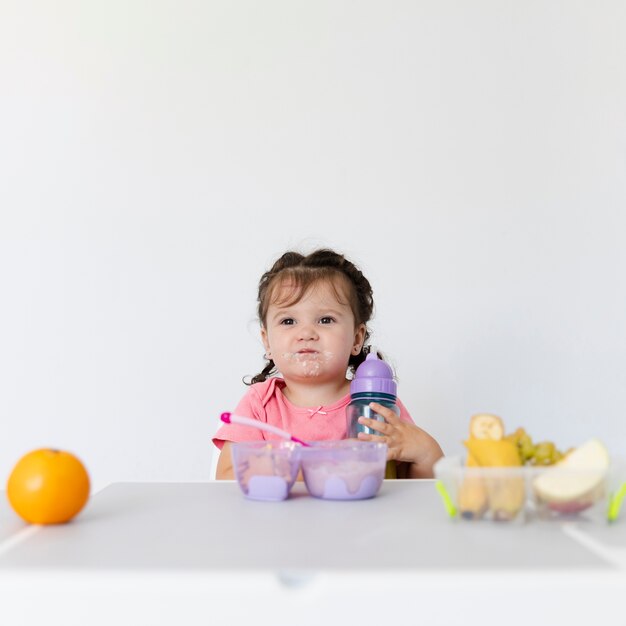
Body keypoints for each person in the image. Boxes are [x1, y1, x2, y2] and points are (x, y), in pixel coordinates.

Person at [213, 248, 444, 479]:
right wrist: (309, 469)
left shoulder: (372, 406)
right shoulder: (260, 404)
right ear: (267, 342)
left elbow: (415, 489)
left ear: (356, 338)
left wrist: (426, 453)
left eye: (325, 319)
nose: (306, 332)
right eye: (288, 320)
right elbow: (227, 476)